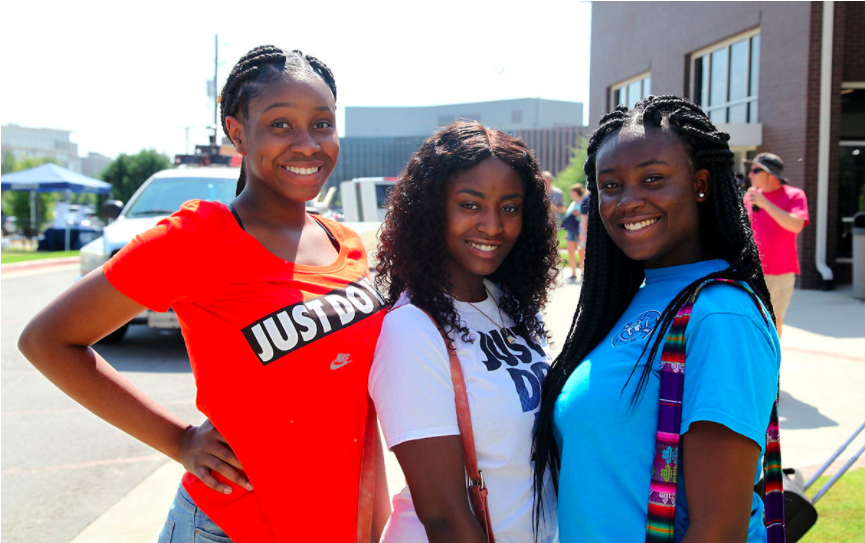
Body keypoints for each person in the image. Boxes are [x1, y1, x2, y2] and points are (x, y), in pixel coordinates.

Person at [18, 46, 389, 543]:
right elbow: (47, 340)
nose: (307, 144)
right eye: (281, 125)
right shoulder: (195, 238)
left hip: (338, 524)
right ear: (237, 132)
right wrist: (179, 440)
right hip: (229, 526)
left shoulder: (343, 242)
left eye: (322, 124)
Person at [533, 96, 781, 542]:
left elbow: (718, 530)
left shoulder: (721, 315)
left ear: (700, 183)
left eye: (652, 179)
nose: (628, 201)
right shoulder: (635, 297)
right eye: (611, 186)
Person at [370, 121, 560, 542]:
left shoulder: (512, 306)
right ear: (431, 209)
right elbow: (442, 515)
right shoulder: (412, 330)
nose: (493, 226)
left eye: (509, 207)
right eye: (470, 205)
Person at [745, 152, 809, 337]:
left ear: (770, 174)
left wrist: (765, 203)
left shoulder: (794, 195)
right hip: (752, 271)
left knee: (774, 321)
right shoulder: (751, 197)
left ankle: (772, 364)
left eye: (755, 170)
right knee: (750, 320)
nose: (750, 175)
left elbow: (796, 225)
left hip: (781, 272)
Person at [563, 184, 586, 283]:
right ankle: (573, 273)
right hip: (571, 231)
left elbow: (585, 217)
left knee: (582, 253)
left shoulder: (583, 202)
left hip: (579, 230)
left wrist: (578, 214)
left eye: (572, 192)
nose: (570, 194)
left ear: (576, 192)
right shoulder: (572, 203)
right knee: (571, 252)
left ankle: (583, 272)